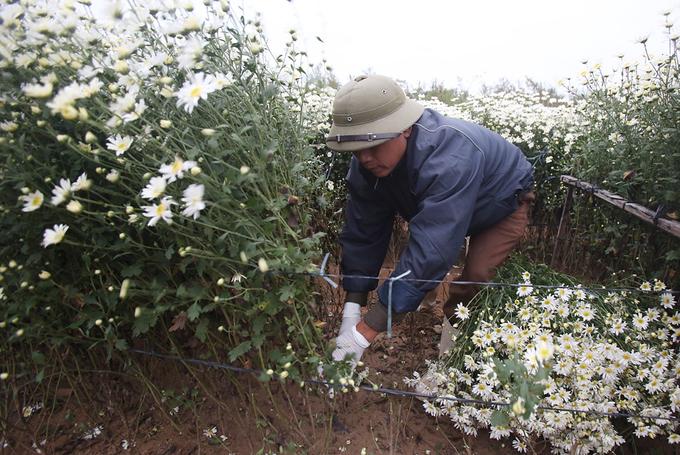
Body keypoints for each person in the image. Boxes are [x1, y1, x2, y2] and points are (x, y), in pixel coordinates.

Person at [326, 74, 535, 363]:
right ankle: (420, 305)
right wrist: (352, 309)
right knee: (424, 256)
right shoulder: (368, 162)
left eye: (374, 145)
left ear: (405, 130)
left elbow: (434, 248)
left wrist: (362, 334)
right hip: (444, 204)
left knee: (475, 277)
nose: (365, 159)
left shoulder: (450, 156)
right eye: (357, 150)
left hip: (499, 202)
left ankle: (452, 357)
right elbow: (364, 229)